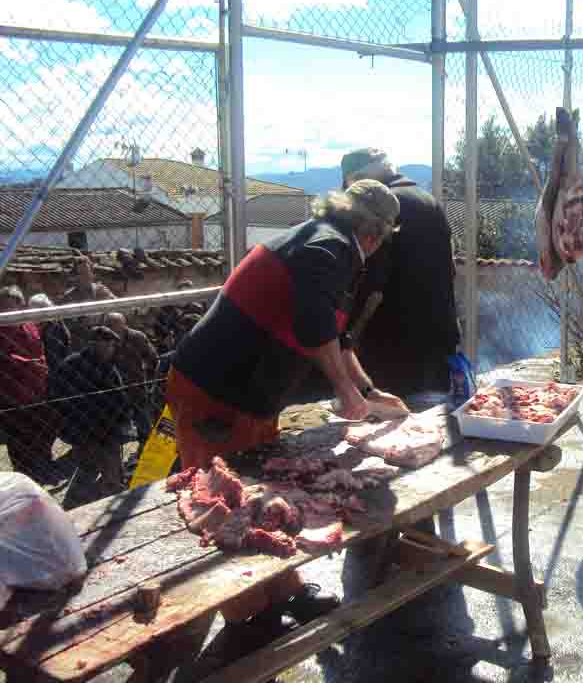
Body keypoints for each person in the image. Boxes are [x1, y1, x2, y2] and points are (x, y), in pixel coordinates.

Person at [165, 179, 409, 625]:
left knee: (262, 495)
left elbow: (338, 333)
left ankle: (282, 592)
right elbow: (314, 325)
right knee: (224, 506)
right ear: (373, 234)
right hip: (216, 391)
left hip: (251, 397)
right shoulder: (328, 246)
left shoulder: (329, 245)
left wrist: (369, 391)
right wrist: (345, 391)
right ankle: (248, 617)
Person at [340, 148, 461, 397]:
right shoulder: (428, 200)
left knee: (391, 426)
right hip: (440, 336)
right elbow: (451, 268)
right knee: (432, 420)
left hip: (393, 345)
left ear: (357, 179)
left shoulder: (381, 208)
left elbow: (370, 282)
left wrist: (348, 336)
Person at [48, 325, 129, 488]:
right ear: (96, 344)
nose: (111, 349)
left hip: (99, 427)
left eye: (112, 345)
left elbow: (120, 397)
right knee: (97, 463)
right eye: (109, 345)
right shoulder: (71, 366)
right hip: (88, 427)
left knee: (97, 463)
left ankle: (105, 485)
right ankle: (107, 487)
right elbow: (57, 397)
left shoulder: (103, 366)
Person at [0, 286, 50, 480]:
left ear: (20, 305)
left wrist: (41, 364)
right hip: (12, 397)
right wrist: (30, 365)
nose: (6, 312)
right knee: (20, 445)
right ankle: (25, 479)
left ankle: (42, 474)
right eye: (2, 308)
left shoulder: (30, 325)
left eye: (9, 307)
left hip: (37, 391)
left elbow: (39, 349)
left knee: (42, 438)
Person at [106, 312, 159, 447]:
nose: (112, 330)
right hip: (115, 391)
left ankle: (145, 451)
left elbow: (153, 358)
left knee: (144, 425)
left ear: (124, 325)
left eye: (115, 326)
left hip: (137, 387)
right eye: (109, 326)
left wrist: (150, 381)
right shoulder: (105, 339)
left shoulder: (137, 337)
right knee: (116, 430)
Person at [60, 255, 116, 350]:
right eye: (81, 273)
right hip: (81, 338)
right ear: (75, 276)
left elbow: (115, 304)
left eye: (87, 272)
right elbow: (66, 324)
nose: (85, 276)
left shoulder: (100, 290)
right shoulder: (69, 296)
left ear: (92, 273)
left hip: (103, 333)